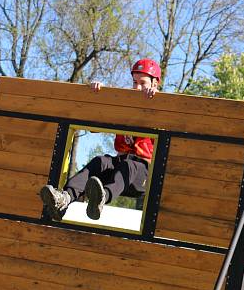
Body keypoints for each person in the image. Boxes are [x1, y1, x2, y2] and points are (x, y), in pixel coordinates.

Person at [39, 59, 160, 221]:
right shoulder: (125, 106)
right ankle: (64, 200)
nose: (137, 87)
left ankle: (100, 200)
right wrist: (98, 94)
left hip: (142, 174)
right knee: (100, 161)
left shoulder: (160, 108)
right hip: (119, 165)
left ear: (154, 84)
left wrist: (156, 101)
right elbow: (93, 127)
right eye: (134, 82)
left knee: (129, 165)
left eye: (143, 83)